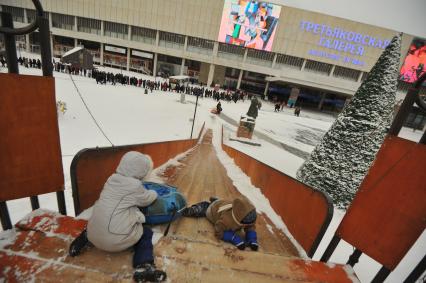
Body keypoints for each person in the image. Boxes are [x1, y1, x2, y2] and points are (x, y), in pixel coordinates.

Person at [69, 151, 166, 282]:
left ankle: (84, 238)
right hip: (115, 240)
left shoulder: (111, 179)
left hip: (93, 232)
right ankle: (143, 266)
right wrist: (154, 192)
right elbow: (147, 199)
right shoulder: (134, 186)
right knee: (146, 233)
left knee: (103, 217)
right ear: (141, 171)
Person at [181, 196, 258, 251]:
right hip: (212, 209)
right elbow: (218, 230)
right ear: (240, 219)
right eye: (247, 223)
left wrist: (252, 238)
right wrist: (232, 237)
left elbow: (250, 225)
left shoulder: (247, 216)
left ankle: (216, 200)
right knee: (203, 208)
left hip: (224, 204)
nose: (250, 223)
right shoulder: (227, 220)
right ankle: (193, 209)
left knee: (221, 202)